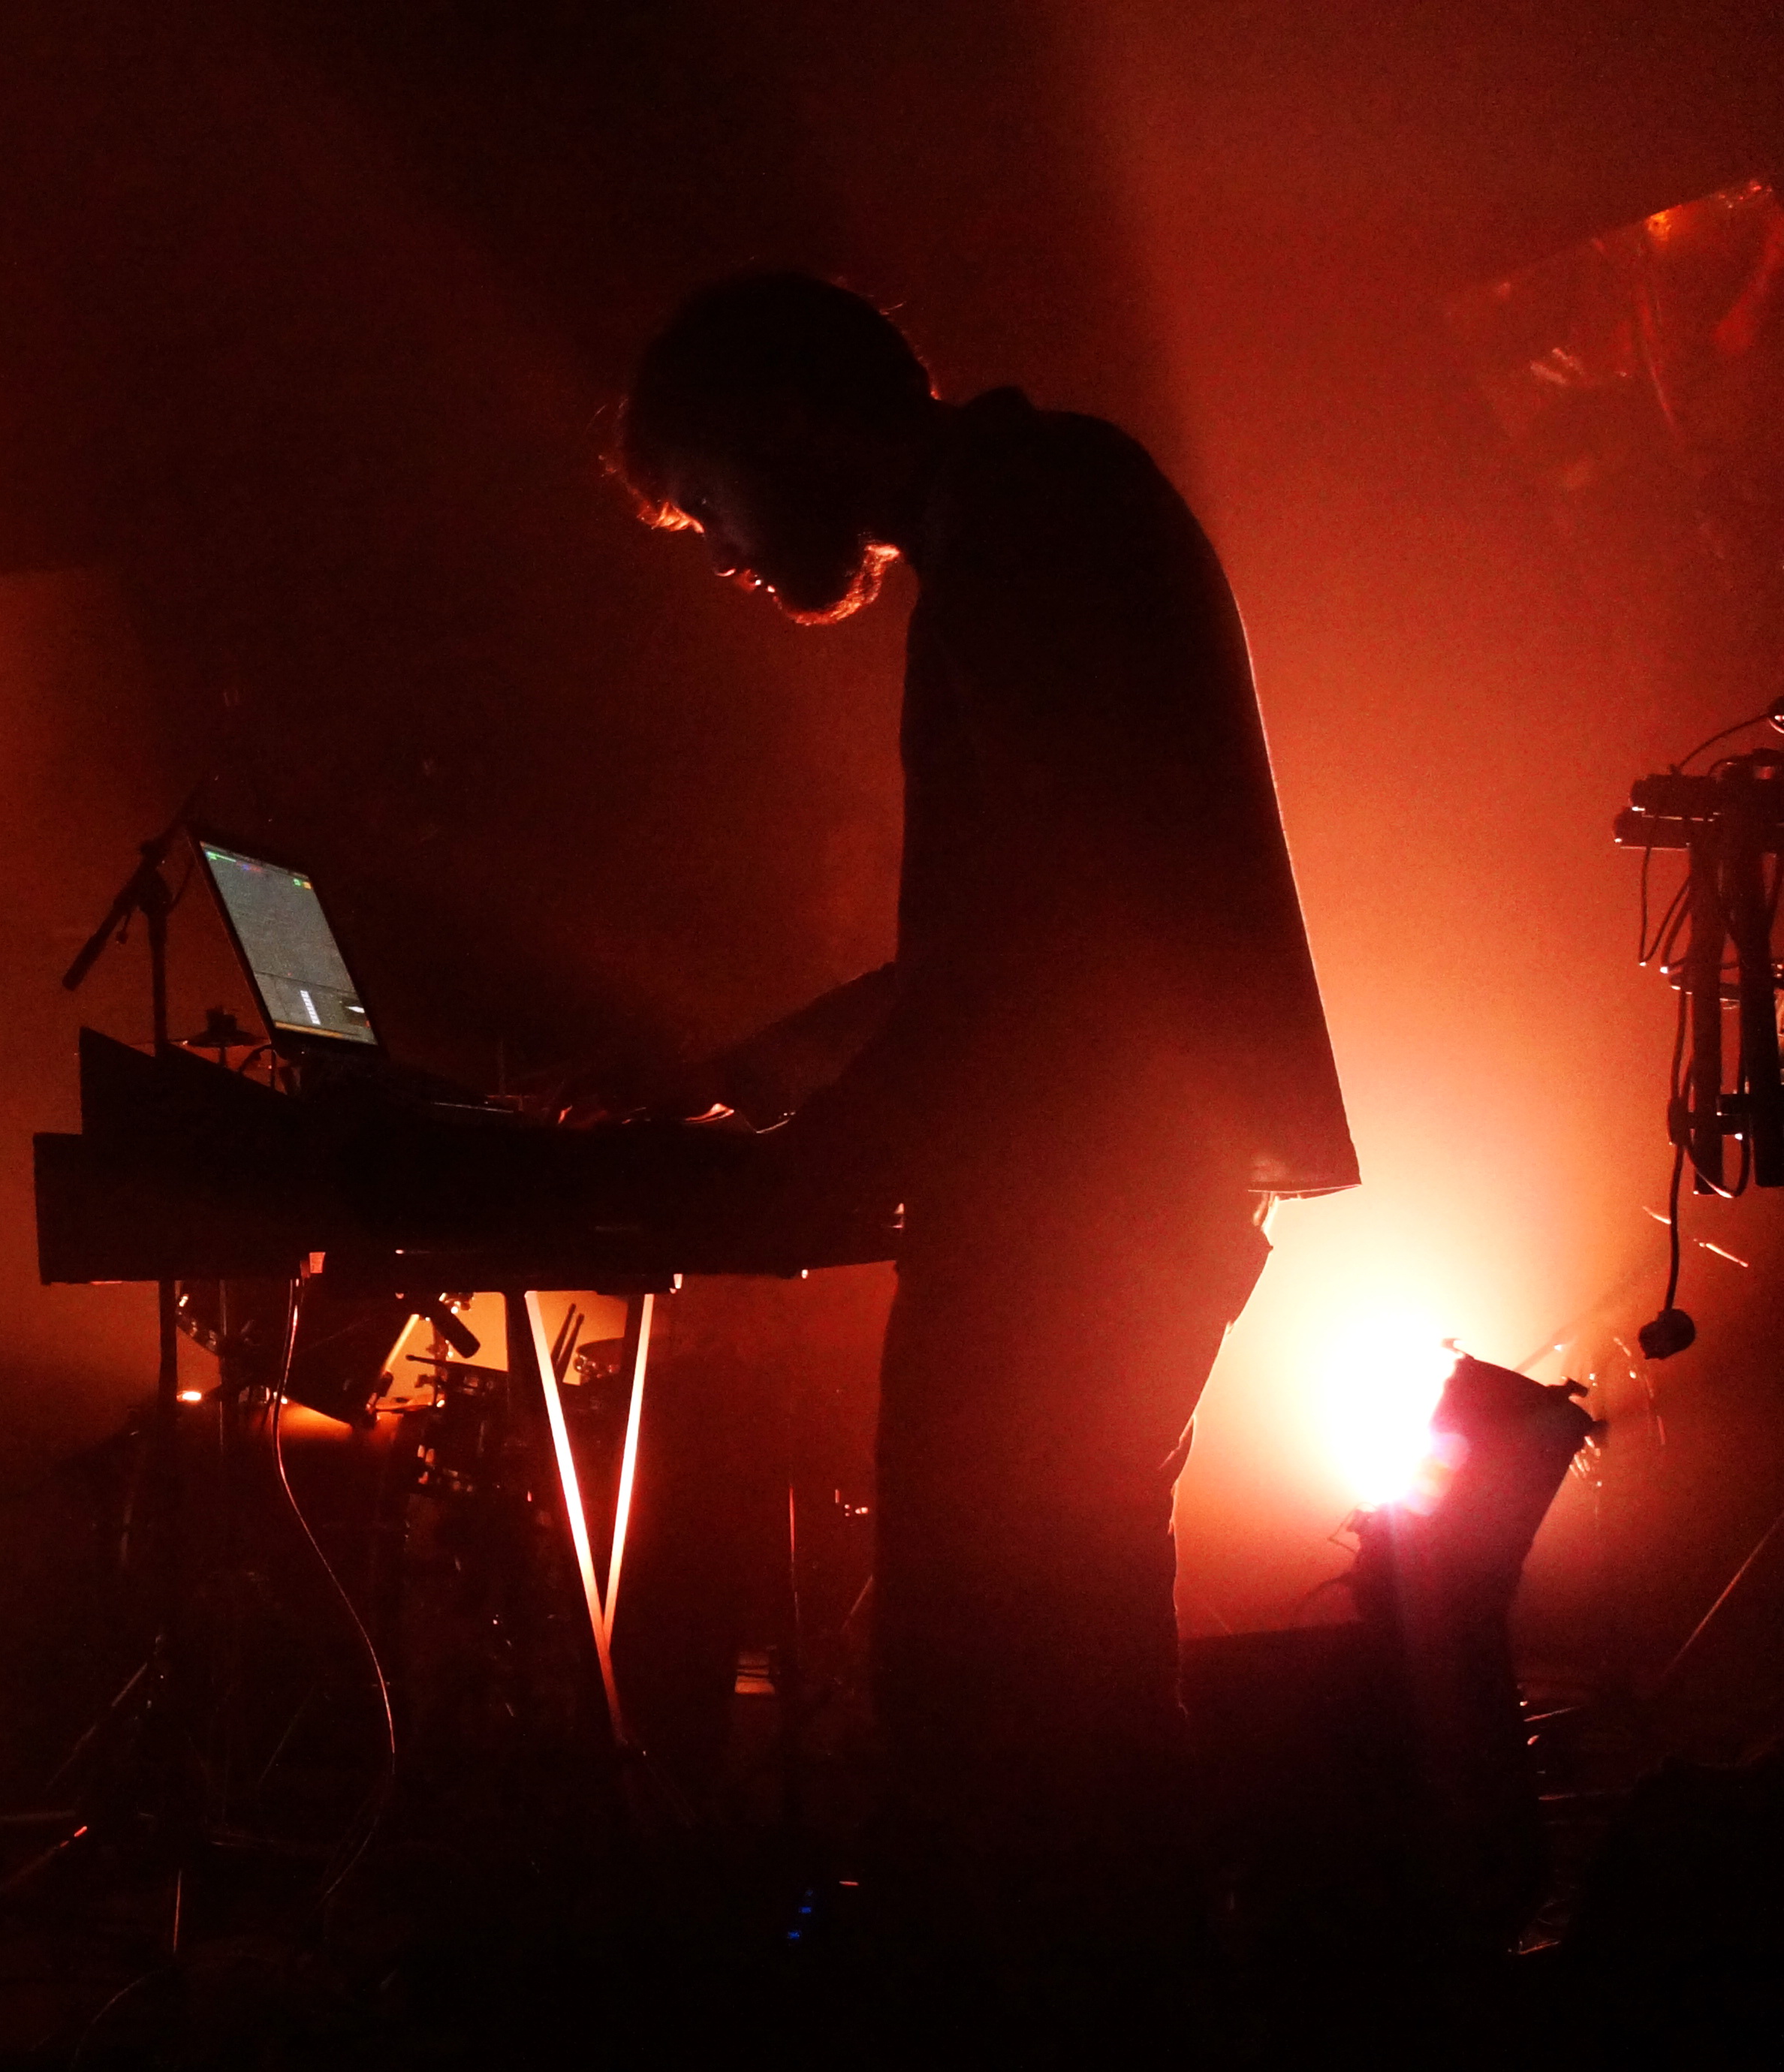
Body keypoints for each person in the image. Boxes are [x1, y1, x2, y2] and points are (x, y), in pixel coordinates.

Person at [613, 274, 1355, 2010]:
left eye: (709, 503)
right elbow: (1015, 921)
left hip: (1074, 1205)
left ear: (783, 421)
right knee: (1061, 1667)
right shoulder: (1029, 506)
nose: (727, 556)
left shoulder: (1027, 529)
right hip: (1105, 1189)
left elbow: (1036, 947)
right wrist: (756, 1070)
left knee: (990, 1681)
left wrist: (809, 1153)